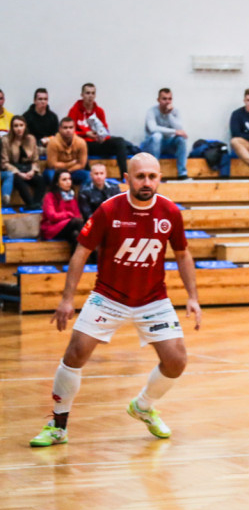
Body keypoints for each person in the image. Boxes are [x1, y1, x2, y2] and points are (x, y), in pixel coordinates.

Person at [30, 153, 201, 447]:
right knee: (75, 354)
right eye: (140, 176)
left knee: (176, 362)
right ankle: (58, 426)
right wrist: (67, 299)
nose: (146, 182)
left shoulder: (170, 212)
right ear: (126, 178)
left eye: (152, 176)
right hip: (108, 297)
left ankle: (143, 406)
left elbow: (183, 255)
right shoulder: (109, 210)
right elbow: (81, 252)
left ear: (160, 178)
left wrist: (193, 297)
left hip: (153, 300)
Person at [68, 83, 129, 178]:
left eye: (93, 93)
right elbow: (69, 133)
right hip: (84, 144)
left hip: (98, 143)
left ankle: (124, 177)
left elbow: (106, 131)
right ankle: (90, 178)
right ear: (82, 95)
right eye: (87, 93)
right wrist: (85, 134)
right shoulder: (74, 111)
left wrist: (103, 137)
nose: (90, 96)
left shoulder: (99, 111)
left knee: (120, 141)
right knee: (80, 145)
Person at [141, 88, 189, 180]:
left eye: (169, 99)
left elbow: (180, 129)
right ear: (158, 100)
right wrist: (174, 131)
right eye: (164, 99)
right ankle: (154, 172)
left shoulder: (175, 112)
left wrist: (169, 114)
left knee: (181, 139)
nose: (167, 101)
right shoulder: (151, 111)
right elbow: (153, 129)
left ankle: (182, 173)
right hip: (152, 145)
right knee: (157, 136)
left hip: (168, 144)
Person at [1, 116, 46, 209]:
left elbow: (35, 160)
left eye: (21, 125)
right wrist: (19, 173)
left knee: (41, 180)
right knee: (19, 181)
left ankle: (36, 204)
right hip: (14, 170)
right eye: (16, 126)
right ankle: (30, 204)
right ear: (12, 128)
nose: (19, 128)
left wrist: (33, 171)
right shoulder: (5, 140)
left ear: (25, 126)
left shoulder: (31, 139)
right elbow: (4, 162)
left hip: (28, 168)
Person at [40, 171, 84, 244]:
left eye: (69, 179)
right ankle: (94, 250)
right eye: (64, 179)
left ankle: (81, 255)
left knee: (75, 235)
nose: (68, 182)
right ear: (57, 183)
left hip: (68, 227)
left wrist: (69, 218)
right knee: (76, 222)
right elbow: (52, 216)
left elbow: (77, 215)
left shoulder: (72, 197)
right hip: (51, 228)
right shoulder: (49, 196)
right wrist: (67, 214)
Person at [45, 117, 90, 186]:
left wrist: (68, 170)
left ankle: (83, 195)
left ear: (74, 129)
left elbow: (82, 165)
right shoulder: (53, 143)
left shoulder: (81, 142)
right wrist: (69, 164)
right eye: (65, 128)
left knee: (89, 175)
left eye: (71, 127)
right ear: (60, 129)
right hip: (56, 171)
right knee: (50, 175)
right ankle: (58, 196)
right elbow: (52, 164)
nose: (68, 130)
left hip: (74, 171)